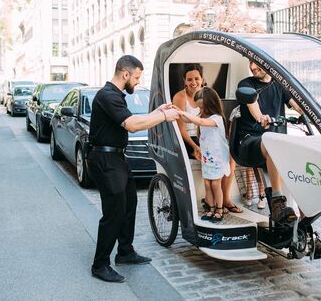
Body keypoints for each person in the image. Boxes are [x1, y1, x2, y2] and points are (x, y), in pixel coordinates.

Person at [88, 55, 179, 283]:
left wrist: (158, 111)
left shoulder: (116, 96)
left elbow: (132, 118)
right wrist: (164, 116)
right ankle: (100, 264)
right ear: (125, 74)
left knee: (130, 203)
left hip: (117, 158)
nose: (137, 82)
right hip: (105, 159)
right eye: (137, 77)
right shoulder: (107, 95)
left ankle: (125, 252)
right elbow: (132, 124)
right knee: (114, 212)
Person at [236, 60, 303, 226]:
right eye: (249, 62)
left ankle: (305, 231)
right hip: (250, 142)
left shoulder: (280, 84)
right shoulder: (247, 84)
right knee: (272, 142)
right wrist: (261, 117)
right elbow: (254, 107)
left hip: (275, 142)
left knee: (301, 182)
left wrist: (312, 111)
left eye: (256, 62)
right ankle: (277, 200)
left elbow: (297, 106)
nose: (252, 67)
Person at [178, 87, 230, 223]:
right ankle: (211, 208)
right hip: (207, 158)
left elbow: (199, 122)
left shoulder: (217, 119)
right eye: (198, 107)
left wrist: (182, 112)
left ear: (211, 105)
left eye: (202, 107)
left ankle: (219, 208)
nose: (200, 110)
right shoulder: (202, 116)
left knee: (215, 185)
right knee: (207, 184)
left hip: (218, 158)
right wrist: (176, 112)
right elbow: (189, 120)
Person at [172, 64, 204, 160]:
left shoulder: (207, 94)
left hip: (204, 137)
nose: (193, 82)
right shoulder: (180, 97)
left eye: (196, 78)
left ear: (202, 79)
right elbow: (181, 129)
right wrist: (195, 147)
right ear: (184, 81)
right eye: (189, 79)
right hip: (187, 139)